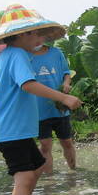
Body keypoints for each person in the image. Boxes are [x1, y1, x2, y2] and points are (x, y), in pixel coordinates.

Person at [0, 5, 81, 195]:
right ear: (19, 36)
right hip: (11, 130)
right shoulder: (17, 55)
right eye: (34, 33)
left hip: (16, 129)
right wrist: (64, 97)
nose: (39, 38)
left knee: (37, 167)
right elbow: (28, 84)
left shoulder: (7, 55)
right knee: (25, 176)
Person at [32, 42, 76, 173]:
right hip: (38, 108)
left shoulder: (56, 52)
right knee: (45, 146)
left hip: (59, 107)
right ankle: (49, 182)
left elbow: (66, 73)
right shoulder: (25, 56)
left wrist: (66, 83)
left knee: (67, 142)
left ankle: (73, 172)